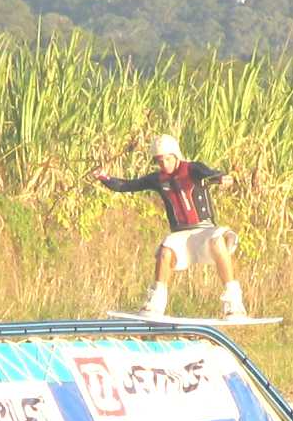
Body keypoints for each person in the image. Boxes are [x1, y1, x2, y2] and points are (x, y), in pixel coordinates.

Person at [93, 134, 247, 318]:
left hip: (204, 230)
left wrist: (221, 177)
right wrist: (104, 177)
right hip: (181, 234)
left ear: (175, 155)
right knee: (165, 252)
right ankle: (155, 304)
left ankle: (234, 303)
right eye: (160, 160)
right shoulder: (158, 179)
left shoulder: (193, 169)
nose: (164, 164)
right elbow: (127, 185)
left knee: (217, 241)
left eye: (167, 159)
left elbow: (209, 173)